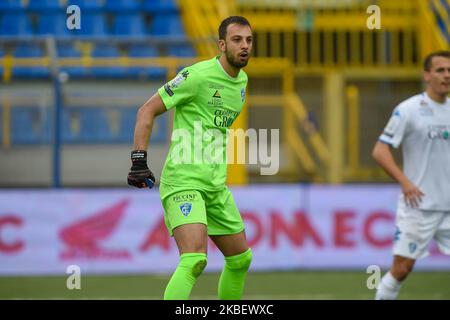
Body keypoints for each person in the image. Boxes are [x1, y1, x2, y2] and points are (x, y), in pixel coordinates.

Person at [127, 16, 253, 300]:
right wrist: (138, 160)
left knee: (241, 258)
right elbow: (146, 110)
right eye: (237, 40)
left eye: (248, 40)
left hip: (215, 186)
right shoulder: (196, 76)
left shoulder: (242, 82)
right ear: (222, 45)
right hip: (184, 182)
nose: (244, 46)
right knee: (195, 259)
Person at [372, 50, 450, 300]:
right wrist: (405, 182)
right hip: (419, 205)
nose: (447, 75)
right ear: (427, 75)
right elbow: (380, 150)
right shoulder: (408, 109)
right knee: (402, 269)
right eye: (440, 70)